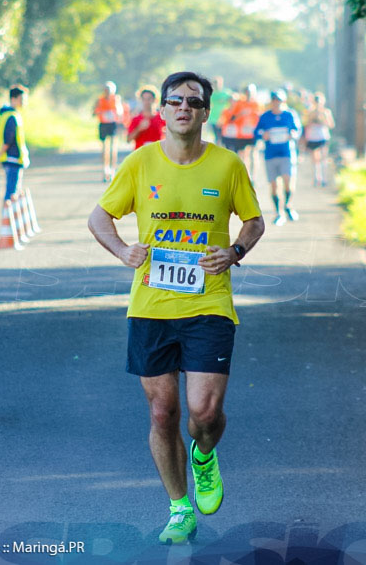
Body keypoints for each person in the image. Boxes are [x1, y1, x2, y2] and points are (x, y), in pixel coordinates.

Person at [87, 71, 265, 546]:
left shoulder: (228, 166)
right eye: (174, 101)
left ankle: (204, 458)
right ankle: (179, 506)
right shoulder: (141, 162)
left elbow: (253, 221)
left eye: (193, 101)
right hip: (151, 305)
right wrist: (123, 250)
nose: (184, 108)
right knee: (163, 413)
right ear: (162, 111)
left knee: (203, 413)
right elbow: (99, 216)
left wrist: (236, 251)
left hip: (210, 302)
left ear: (206, 112)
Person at [255, 89, 302, 225]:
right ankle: (278, 212)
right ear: (271, 102)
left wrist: (293, 134)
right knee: (274, 185)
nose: (277, 103)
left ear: (283, 101)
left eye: (279, 101)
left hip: (286, 153)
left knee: (288, 181)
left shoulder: (289, 115)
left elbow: (297, 130)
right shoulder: (265, 117)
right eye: (275, 101)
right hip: (270, 154)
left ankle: (288, 205)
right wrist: (263, 135)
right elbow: (256, 131)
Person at [0, 85, 30, 206]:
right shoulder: (11, 116)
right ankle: (7, 219)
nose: (24, 102)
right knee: (11, 191)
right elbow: (8, 139)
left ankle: (11, 219)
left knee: (14, 189)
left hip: (13, 158)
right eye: (22, 99)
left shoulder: (10, 114)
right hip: (12, 158)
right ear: (14, 99)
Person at [219, 84, 261, 178]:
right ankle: (245, 174)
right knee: (243, 154)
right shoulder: (240, 103)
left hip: (253, 133)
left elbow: (261, 118)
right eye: (247, 92)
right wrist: (240, 114)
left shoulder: (257, 104)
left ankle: (253, 176)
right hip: (242, 134)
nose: (248, 94)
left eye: (250, 92)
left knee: (253, 153)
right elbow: (232, 117)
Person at [94, 81, 125, 181]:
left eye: (109, 90)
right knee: (104, 148)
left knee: (113, 148)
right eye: (106, 90)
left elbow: (120, 112)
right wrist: (100, 111)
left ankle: (112, 170)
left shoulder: (116, 99)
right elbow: (94, 112)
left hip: (112, 124)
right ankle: (105, 169)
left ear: (113, 91)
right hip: (103, 124)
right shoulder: (100, 100)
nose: (107, 92)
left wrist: (116, 109)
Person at [303, 93, 335, 186]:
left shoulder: (326, 112)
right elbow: (307, 124)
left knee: (323, 157)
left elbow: (331, 125)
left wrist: (323, 119)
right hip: (313, 137)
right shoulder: (310, 112)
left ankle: (324, 178)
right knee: (315, 159)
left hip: (323, 136)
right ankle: (317, 178)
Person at [207, 76, 231, 144]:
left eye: (218, 83)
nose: (217, 85)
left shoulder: (226, 93)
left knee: (224, 138)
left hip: (224, 120)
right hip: (213, 119)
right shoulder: (210, 94)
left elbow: (234, 100)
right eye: (215, 83)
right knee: (217, 138)